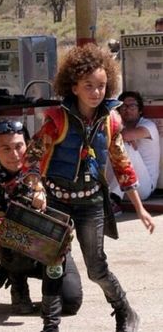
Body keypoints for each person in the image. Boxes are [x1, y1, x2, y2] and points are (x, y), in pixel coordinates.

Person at [20, 44, 155, 332]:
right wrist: (37, 188)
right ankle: (50, 326)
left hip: (91, 203)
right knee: (53, 265)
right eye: (89, 86)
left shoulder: (112, 121)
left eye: (102, 86)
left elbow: (121, 165)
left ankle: (125, 311)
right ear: (74, 86)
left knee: (96, 268)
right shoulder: (56, 120)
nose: (96, 92)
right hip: (56, 202)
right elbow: (31, 157)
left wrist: (140, 208)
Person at [0, 120, 83, 316]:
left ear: (28, 146)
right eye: (6, 149)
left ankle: (49, 288)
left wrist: (42, 192)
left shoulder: (46, 168)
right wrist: (0, 224)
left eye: (19, 146)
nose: (14, 155)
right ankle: (18, 283)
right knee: (8, 229)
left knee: (70, 303)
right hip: (16, 244)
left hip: (52, 244)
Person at [106, 91, 160, 213]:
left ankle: (114, 201)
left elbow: (125, 136)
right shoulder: (119, 126)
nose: (127, 109)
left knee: (123, 146)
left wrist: (122, 135)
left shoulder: (148, 125)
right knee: (106, 147)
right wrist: (120, 132)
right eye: (123, 106)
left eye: (132, 106)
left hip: (143, 188)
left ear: (140, 110)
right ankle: (105, 195)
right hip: (123, 186)